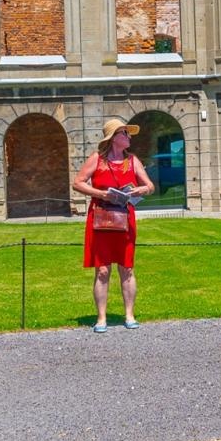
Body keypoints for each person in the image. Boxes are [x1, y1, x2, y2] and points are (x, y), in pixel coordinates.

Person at [72, 118, 157, 333]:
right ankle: (101, 318)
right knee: (102, 270)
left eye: (128, 134)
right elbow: (78, 182)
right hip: (100, 218)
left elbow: (150, 186)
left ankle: (129, 315)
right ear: (113, 138)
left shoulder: (133, 160)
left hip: (125, 218)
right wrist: (101, 194)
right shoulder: (97, 159)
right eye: (124, 133)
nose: (129, 137)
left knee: (127, 268)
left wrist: (141, 190)